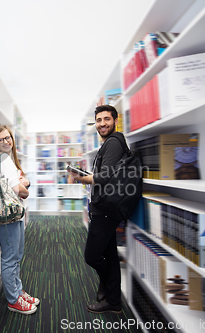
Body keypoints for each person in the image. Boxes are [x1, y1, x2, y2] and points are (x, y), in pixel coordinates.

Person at [68, 103, 127, 314]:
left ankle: (108, 287)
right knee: (110, 255)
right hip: (106, 207)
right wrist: (85, 176)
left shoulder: (113, 142)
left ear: (115, 121)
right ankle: (113, 299)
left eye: (106, 119)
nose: (102, 124)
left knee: (91, 256)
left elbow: (105, 177)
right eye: (99, 120)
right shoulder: (109, 143)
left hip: (105, 210)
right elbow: (106, 174)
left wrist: (83, 178)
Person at [0, 125, 39, 314]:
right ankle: (13, 300)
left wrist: (22, 184)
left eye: (8, 137)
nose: (6, 141)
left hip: (16, 213)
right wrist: (26, 185)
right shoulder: (2, 159)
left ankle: (18, 292)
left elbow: (18, 186)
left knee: (17, 256)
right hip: (7, 216)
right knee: (10, 258)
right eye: (1, 139)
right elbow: (18, 190)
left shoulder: (10, 160)